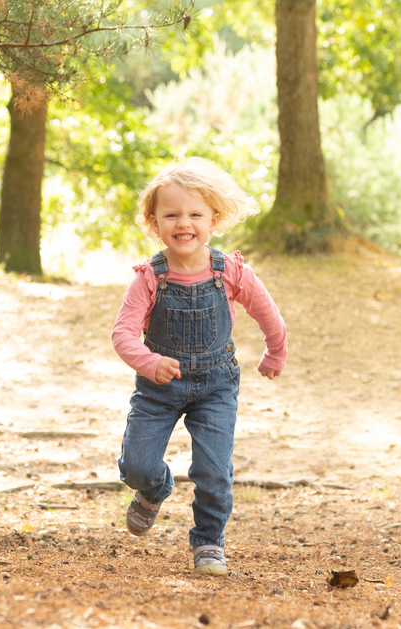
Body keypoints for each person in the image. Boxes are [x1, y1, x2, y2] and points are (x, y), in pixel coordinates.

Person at [111, 157, 288, 576]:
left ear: (215, 219)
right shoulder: (149, 279)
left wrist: (275, 352)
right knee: (134, 465)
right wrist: (150, 362)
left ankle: (209, 541)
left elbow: (268, 314)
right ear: (155, 223)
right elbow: (123, 334)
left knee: (213, 469)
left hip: (215, 386)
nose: (183, 223)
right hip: (159, 388)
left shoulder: (231, 272)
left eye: (195, 214)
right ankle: (154, 490)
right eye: (171, 214)